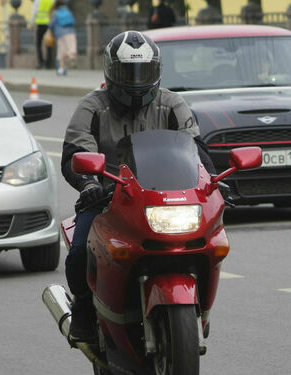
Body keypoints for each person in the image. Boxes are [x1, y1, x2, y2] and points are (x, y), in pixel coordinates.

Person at [60, 31, 215, 344]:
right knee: (79, 252)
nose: (134, 80)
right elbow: (75, 151)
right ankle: (83, 306)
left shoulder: (172, 104)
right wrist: (88, 182)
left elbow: (196, 148)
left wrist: (213, 182)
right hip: (109, 198)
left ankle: (200, 307)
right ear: (111, 72)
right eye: (127, 72)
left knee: (209, 242)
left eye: (142, 72)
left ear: (155, 71)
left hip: (165, 197)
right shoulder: (92, 106)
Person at [48, 0, 76, 76]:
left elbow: (51, 24)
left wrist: (49, 31)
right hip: (71, 32)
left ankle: (61, 69)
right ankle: (71, 58)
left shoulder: (55, 13)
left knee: (61, 52)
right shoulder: (68, 11)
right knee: (71, 49)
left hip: (60, 34)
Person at [32, 0, 53, 70]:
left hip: (40, 24)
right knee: (49, 43)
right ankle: (49, 63)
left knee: (38, 44)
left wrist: (31, 23)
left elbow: (34, 12)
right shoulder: (51, 1)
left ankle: (40, 62)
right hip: (49, 24)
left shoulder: (38, 1)